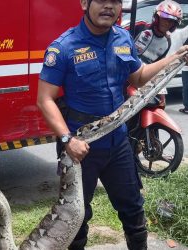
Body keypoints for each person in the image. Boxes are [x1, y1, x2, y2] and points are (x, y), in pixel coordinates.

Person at [36, 0, 188, 249]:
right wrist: (67, 140)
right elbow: (45, 100)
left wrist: (176, 59)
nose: (108, 7)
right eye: (101, 0)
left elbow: (138, 78)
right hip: (80, 147)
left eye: (115, 1)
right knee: (77, 216)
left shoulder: (123, 39)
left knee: (133, 209)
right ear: (85, 3)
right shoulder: (63, 46)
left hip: (118, 142)